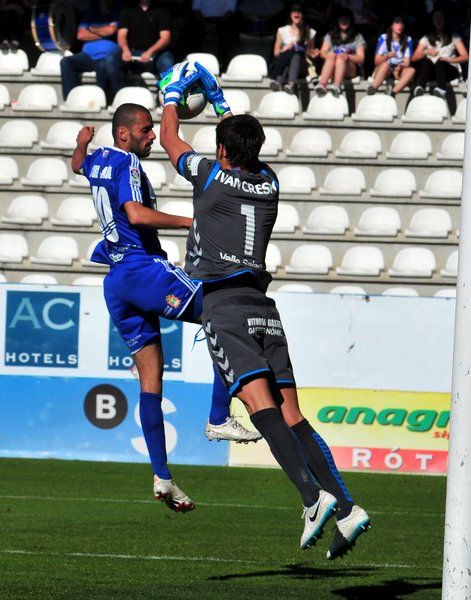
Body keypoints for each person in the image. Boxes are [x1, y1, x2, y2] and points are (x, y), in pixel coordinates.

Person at [159, 65, 369, 559]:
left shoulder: (210, 175)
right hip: (264, 307)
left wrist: (171, 95)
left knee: (261, 407)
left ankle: (311, 499)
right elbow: (242, 146)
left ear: (223, 152)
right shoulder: (269, 181)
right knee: (292, 412)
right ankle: (346, 505)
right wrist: (221, 102)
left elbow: (169, 139)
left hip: (225, 305)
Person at [70, 103, 261, 512]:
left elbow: (77, 166)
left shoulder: (98, 157)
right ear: (124, 135)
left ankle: (162, 476)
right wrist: (193, 222)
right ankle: (217, 415)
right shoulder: (128, 166)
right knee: (224, 313)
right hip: (142, 271)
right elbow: (136, 214)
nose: (152, 136)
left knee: (150, 380)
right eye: (145, 130)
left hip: (116, 281)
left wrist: (81, 144)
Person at [60, 0, 123, 103]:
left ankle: (101, 101)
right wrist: (103, 33)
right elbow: (80, 35)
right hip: (87, 56)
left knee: (104, 65)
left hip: (106, 57)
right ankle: (70, 99)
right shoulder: (90, 15)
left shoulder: (117, 14)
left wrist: (91, 29)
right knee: (66, 61)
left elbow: (111, 31)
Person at [411, 8, 468, 98]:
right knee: (426, 61)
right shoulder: (426, 38)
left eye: (441, 17)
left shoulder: (454, 37)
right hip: (431, 71)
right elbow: (414, 58)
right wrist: (426, 52)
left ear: (445, 19)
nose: (438, 20)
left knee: (440, 62)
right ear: (432, 20)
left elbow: (465, 56)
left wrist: (449, 59)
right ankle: (420, 88)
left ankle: (441, 89)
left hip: (449, 70)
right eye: (435, 18)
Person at [314, 9, 366, 97]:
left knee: (340, 58)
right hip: (333, 65)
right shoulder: (330, 35)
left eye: (346, 19)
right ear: (337, 21)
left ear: (351, 21)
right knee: (331, 55)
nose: (344, 22)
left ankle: (337, 85)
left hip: (350, 67)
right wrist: (332, 54)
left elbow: (361, 58)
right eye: (341, 19)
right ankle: (322, 84)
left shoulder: (357, 36)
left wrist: (348, 56)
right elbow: (323, 53)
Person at [117, 0, 174, 78]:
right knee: (109, 61)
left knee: (167, 62)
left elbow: (165, 38)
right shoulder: (127, 10)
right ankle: (118, 90)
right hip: (131, 52)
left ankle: (166, 89)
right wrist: (125, 50)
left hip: (157, 53)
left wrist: (150, 52)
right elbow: (121, 35)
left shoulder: (162, 11)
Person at [269, 3, 317, 94]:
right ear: (290, 15)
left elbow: (309, 54)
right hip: (284, 63)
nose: (296, 13)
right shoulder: (282, 31)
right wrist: (285, 49)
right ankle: (279, 83)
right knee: (289, 55)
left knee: (295, 55)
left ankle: (290, 84)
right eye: (294, 11)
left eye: (299, 11)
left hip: (302, 67)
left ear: (303, 15)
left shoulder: (310, 32)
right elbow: (276, 53)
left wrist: (311, 54)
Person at [368, 16, 415, 95]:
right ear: (391, 25)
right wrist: (387, 56)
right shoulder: (384, 38)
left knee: (411, 70)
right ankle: (372, 89)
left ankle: (393, 93)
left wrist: (400, 66)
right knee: (386, 65)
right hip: (384, 69)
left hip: (398, 70)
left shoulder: (407, 39)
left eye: (402, 23)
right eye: (397, 23)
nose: (400, 26)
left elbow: (407, 62)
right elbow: (376, 61)